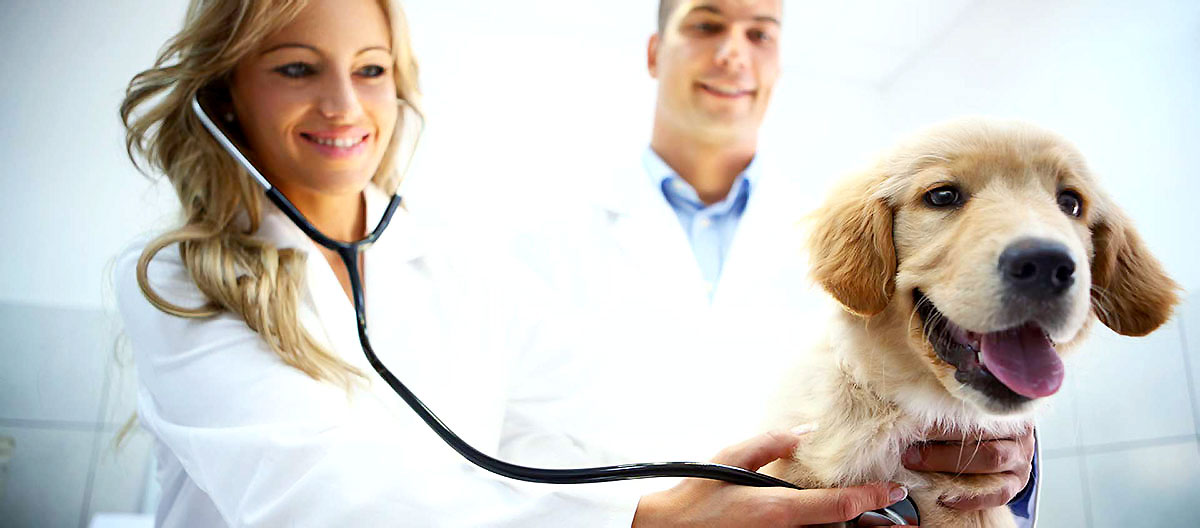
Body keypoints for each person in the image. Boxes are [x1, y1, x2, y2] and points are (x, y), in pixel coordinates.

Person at [115, 0, 910, 525]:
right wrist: (644, 518)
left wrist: (869, 464)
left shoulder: (452, 263)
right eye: (296, 67)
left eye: (370, 69)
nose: (344, 105)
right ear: (225, 95)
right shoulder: (180, 281)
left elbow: (616, 407)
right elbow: (323, 500)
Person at [518, 0, 1038, 525]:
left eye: (760, 35)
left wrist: (1006, 462)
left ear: (778, 63)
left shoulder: (860, 238)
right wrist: (643, 519)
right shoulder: (536, 239)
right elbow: (494, 457)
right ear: (655, 52)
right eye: (706, 25)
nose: (733, 54)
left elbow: (943, 392)